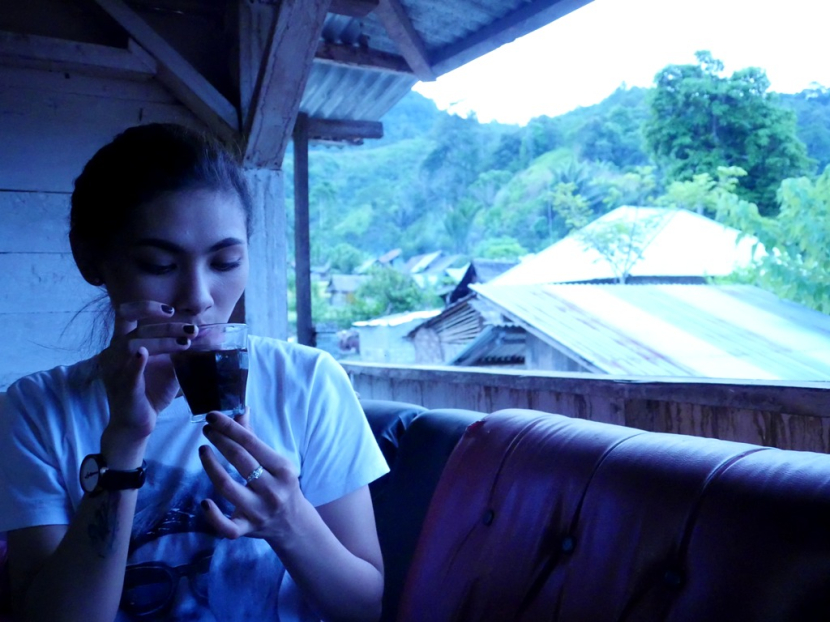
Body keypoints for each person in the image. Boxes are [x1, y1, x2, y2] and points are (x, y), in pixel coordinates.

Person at [0, 123, 388, 621]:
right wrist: (124, 441)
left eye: (226, 262)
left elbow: (363, 607)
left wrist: (289, 521)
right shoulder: (37, 410)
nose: (199, 298)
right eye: (160, 266)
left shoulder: (308, 381)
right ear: (90, 259)